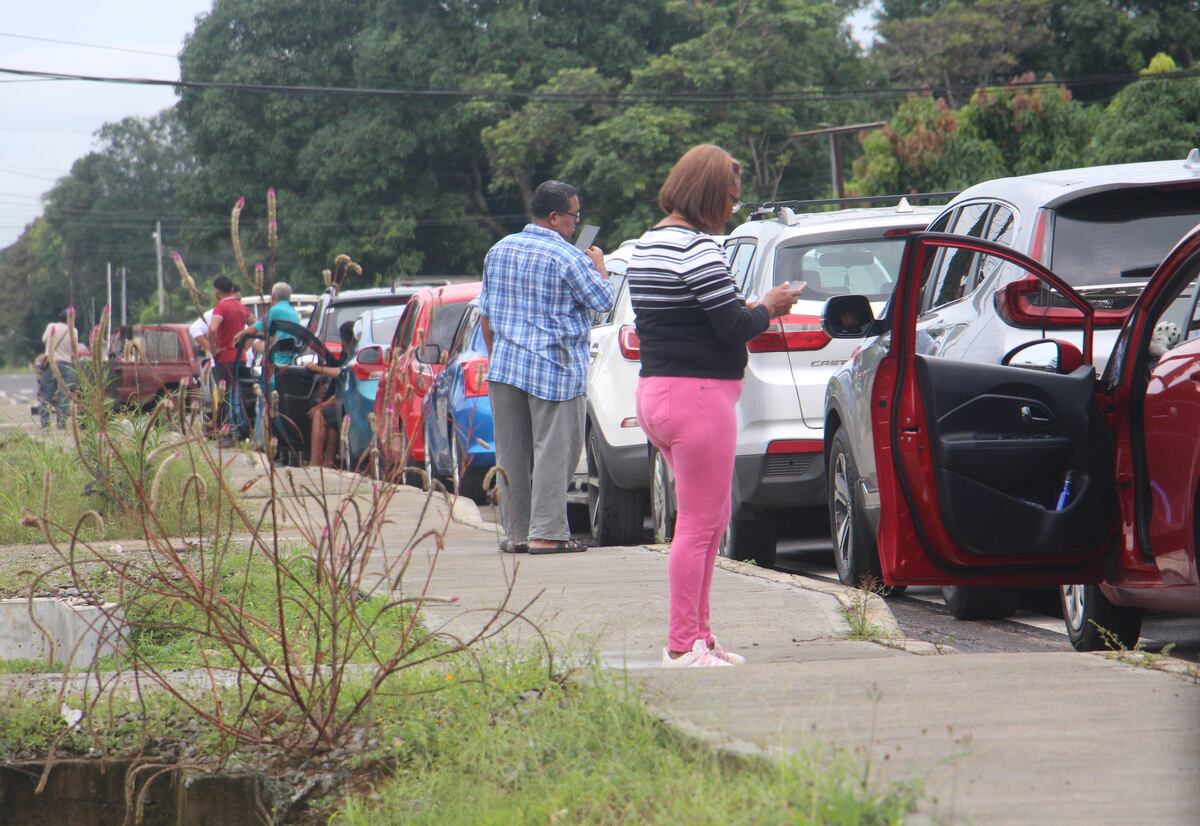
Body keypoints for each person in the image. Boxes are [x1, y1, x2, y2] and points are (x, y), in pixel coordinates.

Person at [627, 145, 803, 668]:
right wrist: (767, 307)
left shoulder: (647, 245)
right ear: (708, 193)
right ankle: (683, 644)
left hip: (660, 391)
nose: (733, 206)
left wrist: (745, 308)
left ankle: (701, 638)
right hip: (697, 397)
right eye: (730, 197)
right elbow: (733, 326)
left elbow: (690, 316)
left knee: (710, 518)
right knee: (700, 525)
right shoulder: (699, 250)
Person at [480, 180, 614, 555]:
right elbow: (602, 300)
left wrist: (499, 358)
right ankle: (547, 534)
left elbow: (485, 316)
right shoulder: (568, 257)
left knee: (511, 457)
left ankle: (518, 534)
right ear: (555, 217)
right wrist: (599, 265)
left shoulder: (498, 250)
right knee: (555, 452)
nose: (575, 225)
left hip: (505, 369)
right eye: (574, 217)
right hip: (554, 370)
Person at [206, 276, 253, 444]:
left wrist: (213, 350)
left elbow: (212, 330)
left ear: (217, 291)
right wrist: (246, 345)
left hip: (224, 358)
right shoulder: (242, 308)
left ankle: (225, 433)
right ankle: (240, 430)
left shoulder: (221, 308)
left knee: (223, 395)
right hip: (240, 358)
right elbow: (255, 325)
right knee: (237, 395)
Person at [306, 321, 356, 468]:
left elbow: (341, 374)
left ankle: (315, 462)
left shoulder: (352, 359)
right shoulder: (355, 356)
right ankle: (328, 461)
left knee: (320, 415)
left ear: (343, 341)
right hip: (349, 406)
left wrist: (317, 368)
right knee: (332, 417)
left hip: (351, 407)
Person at [40, 308, 79, 429]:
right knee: (64, 395)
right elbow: (74, 349)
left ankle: (45, 424)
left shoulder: (51, 326)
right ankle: (61, 424)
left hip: (51, 363)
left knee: (46, 394)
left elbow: (44, 339)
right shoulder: (74, 331)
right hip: (66, 365)